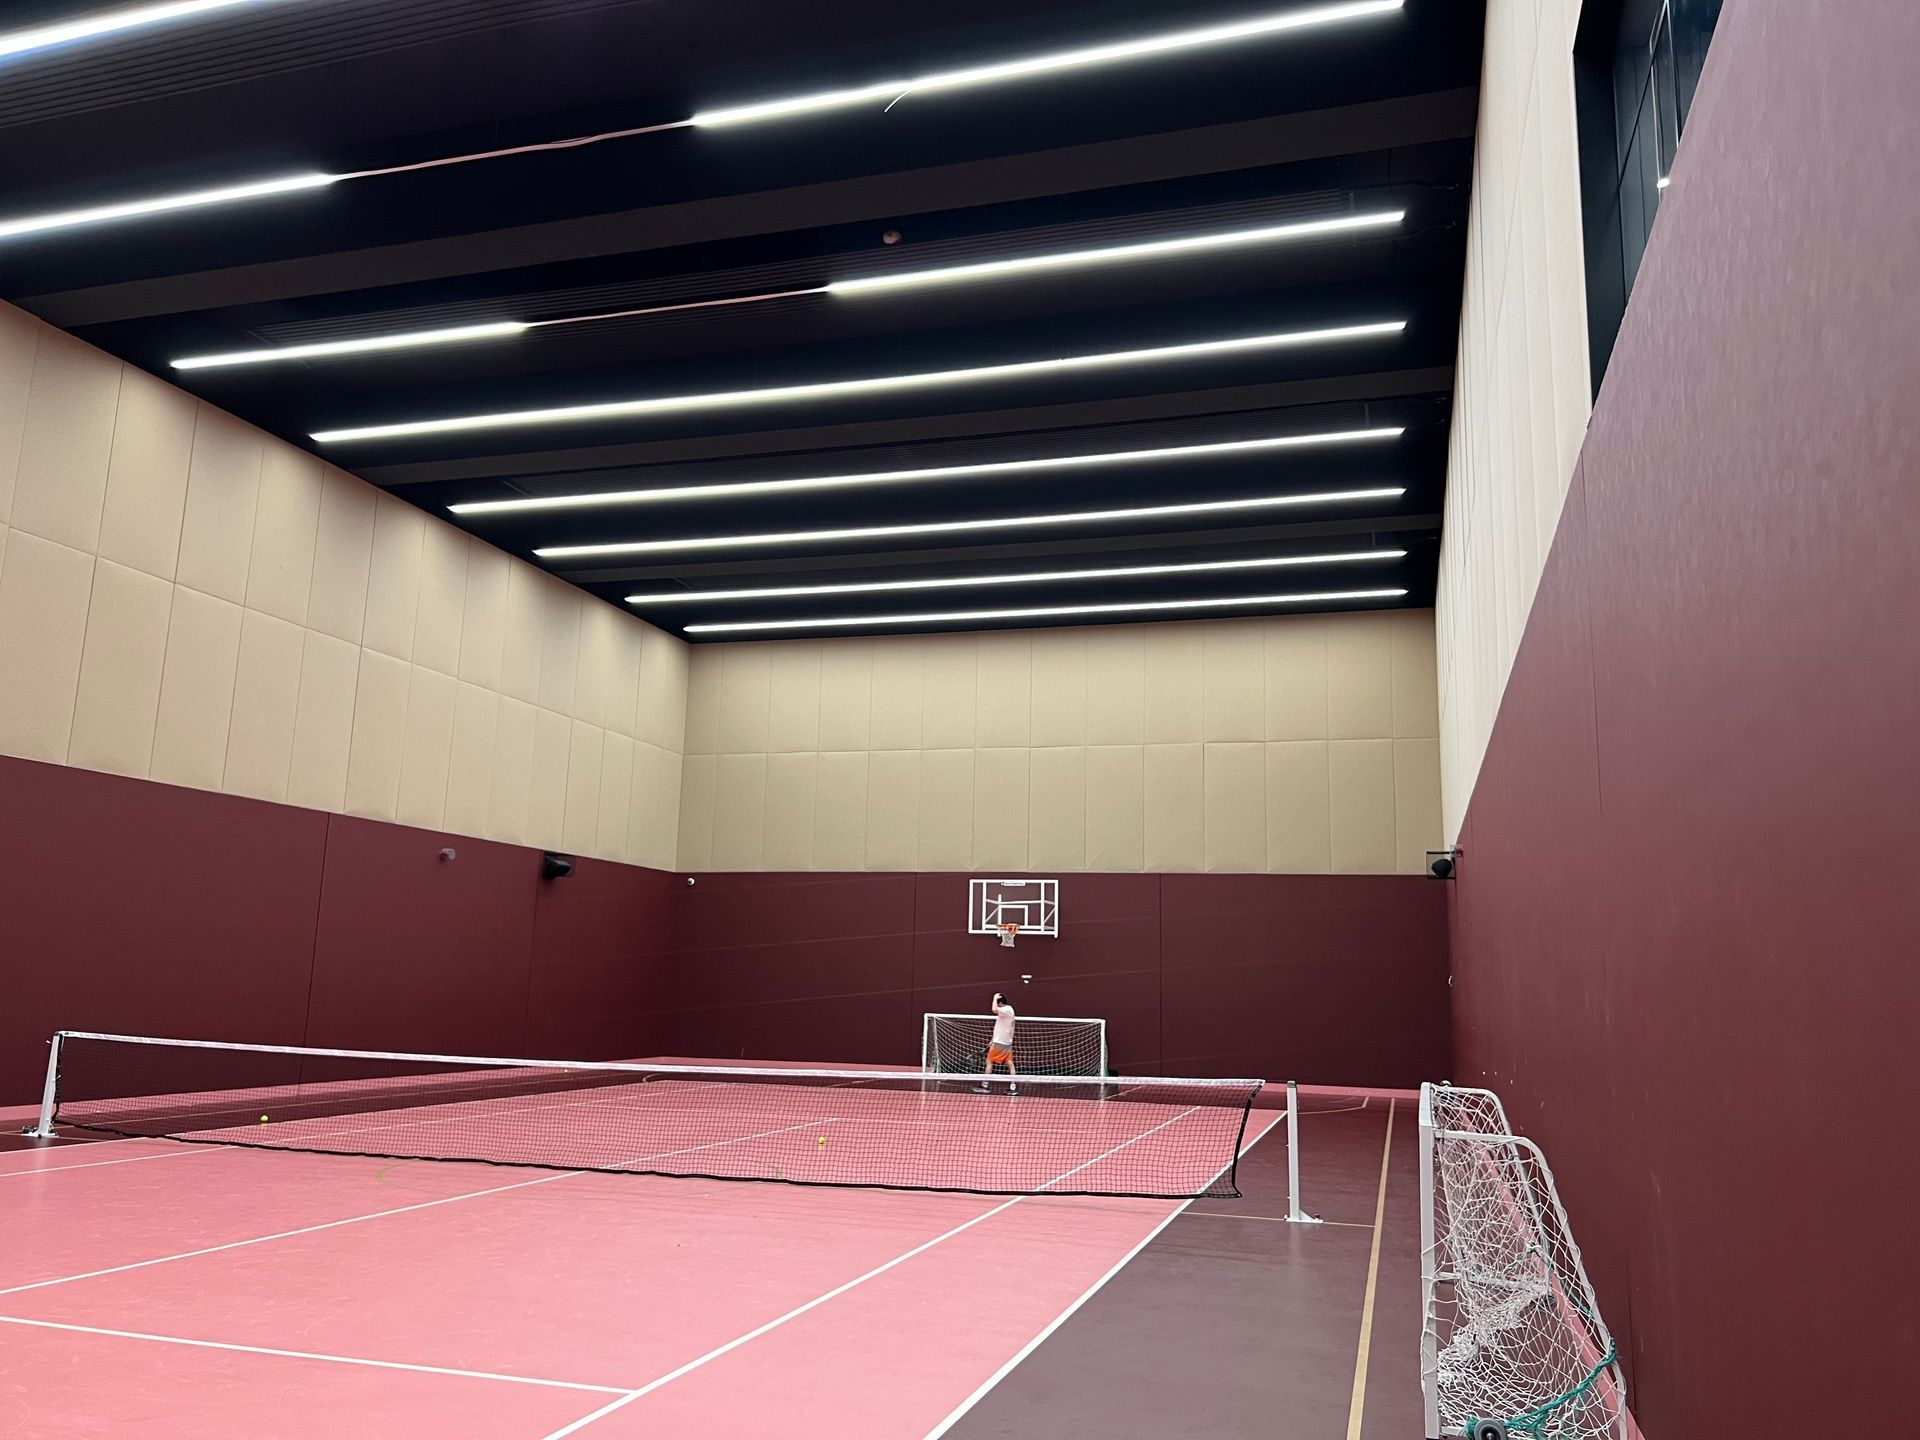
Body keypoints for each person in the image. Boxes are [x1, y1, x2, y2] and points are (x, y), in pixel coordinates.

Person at [973, 992, 1018, 1095]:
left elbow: (994, 1009)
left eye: (997, 1003)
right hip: (1005, 1042)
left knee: (989, 1061)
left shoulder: (1006, 1010)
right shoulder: (1009, 1010)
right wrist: (992, 1040)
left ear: (1000, 1003)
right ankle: (1013, 1087)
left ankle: (985, 1086)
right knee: (1010, 1064)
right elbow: (1002, 1028)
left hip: (1000, 1043)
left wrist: (994, 997)